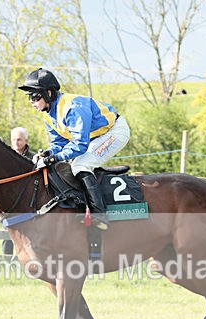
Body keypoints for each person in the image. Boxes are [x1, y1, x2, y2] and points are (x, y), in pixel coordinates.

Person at [18, 67, 130, 230]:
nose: (31, 102)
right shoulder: (48, 114)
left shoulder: (72, 107)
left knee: (81, 164)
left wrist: (54, 158)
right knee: (67, 165)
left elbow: (79, 145)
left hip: (114, 131)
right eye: (29, 97)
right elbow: (59, 143)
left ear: (48, 93)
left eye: (34, 96)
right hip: (96, 137)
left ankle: (99, 214)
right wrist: (48, 153)